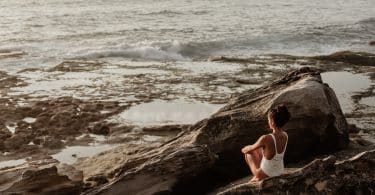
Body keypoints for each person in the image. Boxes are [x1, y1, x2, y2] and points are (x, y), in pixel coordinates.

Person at [241, 105, 290, 182]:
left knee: (249, 152)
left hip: (266, 174)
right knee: (260, 149)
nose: (268, 122)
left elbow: (248, 150)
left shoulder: (266, 138)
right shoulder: (285, 135)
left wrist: (244, 149)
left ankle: (257, 177)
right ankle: (257, 177)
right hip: (279, 171)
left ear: (273, 122)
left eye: (269, 120)